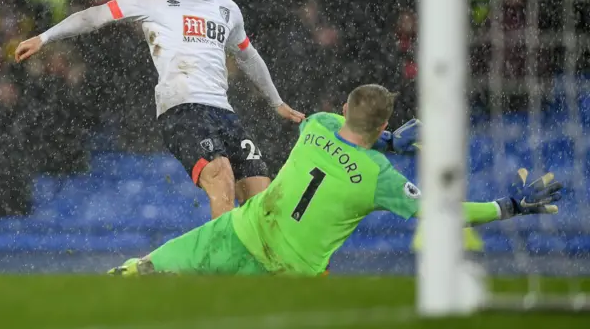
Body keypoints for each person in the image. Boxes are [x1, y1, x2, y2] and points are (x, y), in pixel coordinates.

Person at [108, 84, 563, 277]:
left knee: (150, 268)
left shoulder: (318, 125)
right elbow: (444, 213)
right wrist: (509, 206)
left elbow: (356, 133)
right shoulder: (380, 180)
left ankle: (120, 278)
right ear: (382, 123)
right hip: (291, 273)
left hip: (242, 232)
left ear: (344, 109)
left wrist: (391, 140)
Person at [14, 0, 305, 219]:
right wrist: (44, 37)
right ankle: (223, 263)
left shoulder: (229, 9)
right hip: (183, 111)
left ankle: (269, 263)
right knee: (221, 178)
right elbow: (95, 15)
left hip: (224, 114)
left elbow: (247, 55)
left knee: (262, 198)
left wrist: (276, 101)